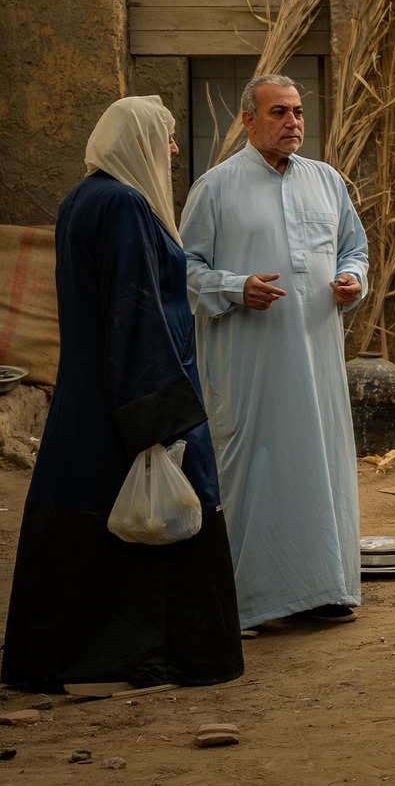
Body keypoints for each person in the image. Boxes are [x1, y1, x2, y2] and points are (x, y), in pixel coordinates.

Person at [3, 97, 244, 691]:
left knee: (85, 514)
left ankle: (76, 657)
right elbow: (137, 312)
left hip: (88, 393)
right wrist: (158, 420)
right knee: (158, 513)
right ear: (138, 141)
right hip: (131, 391)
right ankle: (148, 658)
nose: (174, 148)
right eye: (165, 136)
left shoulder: (83, 198)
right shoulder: (123, 204)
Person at [180, 74, 371, 629]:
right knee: (258, 470)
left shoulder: (327, 181)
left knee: (323, 467)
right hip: (251, 364)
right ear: (248, 120)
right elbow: (184, 271)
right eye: (279, 113)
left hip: (317, 360)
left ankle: (327, 587)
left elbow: (354, 248)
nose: (293, 123)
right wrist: (236, 288)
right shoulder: (215, 188)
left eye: (297, 112)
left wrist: (351, 280)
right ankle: (257, 601)